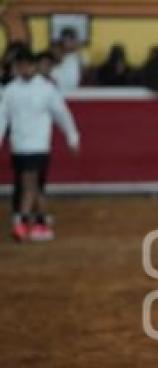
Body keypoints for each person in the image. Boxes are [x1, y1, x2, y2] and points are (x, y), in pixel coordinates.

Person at [0, 50, 80, 242]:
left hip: (38, 145)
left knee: (29, 184)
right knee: (34, 186)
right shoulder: (10, 91)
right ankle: (40, 224)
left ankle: (22, 223)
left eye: (27, 65)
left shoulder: (46, 89)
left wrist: (72, 137)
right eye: (20, 66)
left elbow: (62, 115)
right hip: (19, 146)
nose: (24, 69)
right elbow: (2, 118)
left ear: (34, 67)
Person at [50, 27, 85, 92]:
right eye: (67, 40)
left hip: (73, 91)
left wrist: (77, 49)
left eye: (72, 40)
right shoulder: (55, 53)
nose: (70, 43)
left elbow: (83, 71)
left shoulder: (76, 56)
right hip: (56, 90)